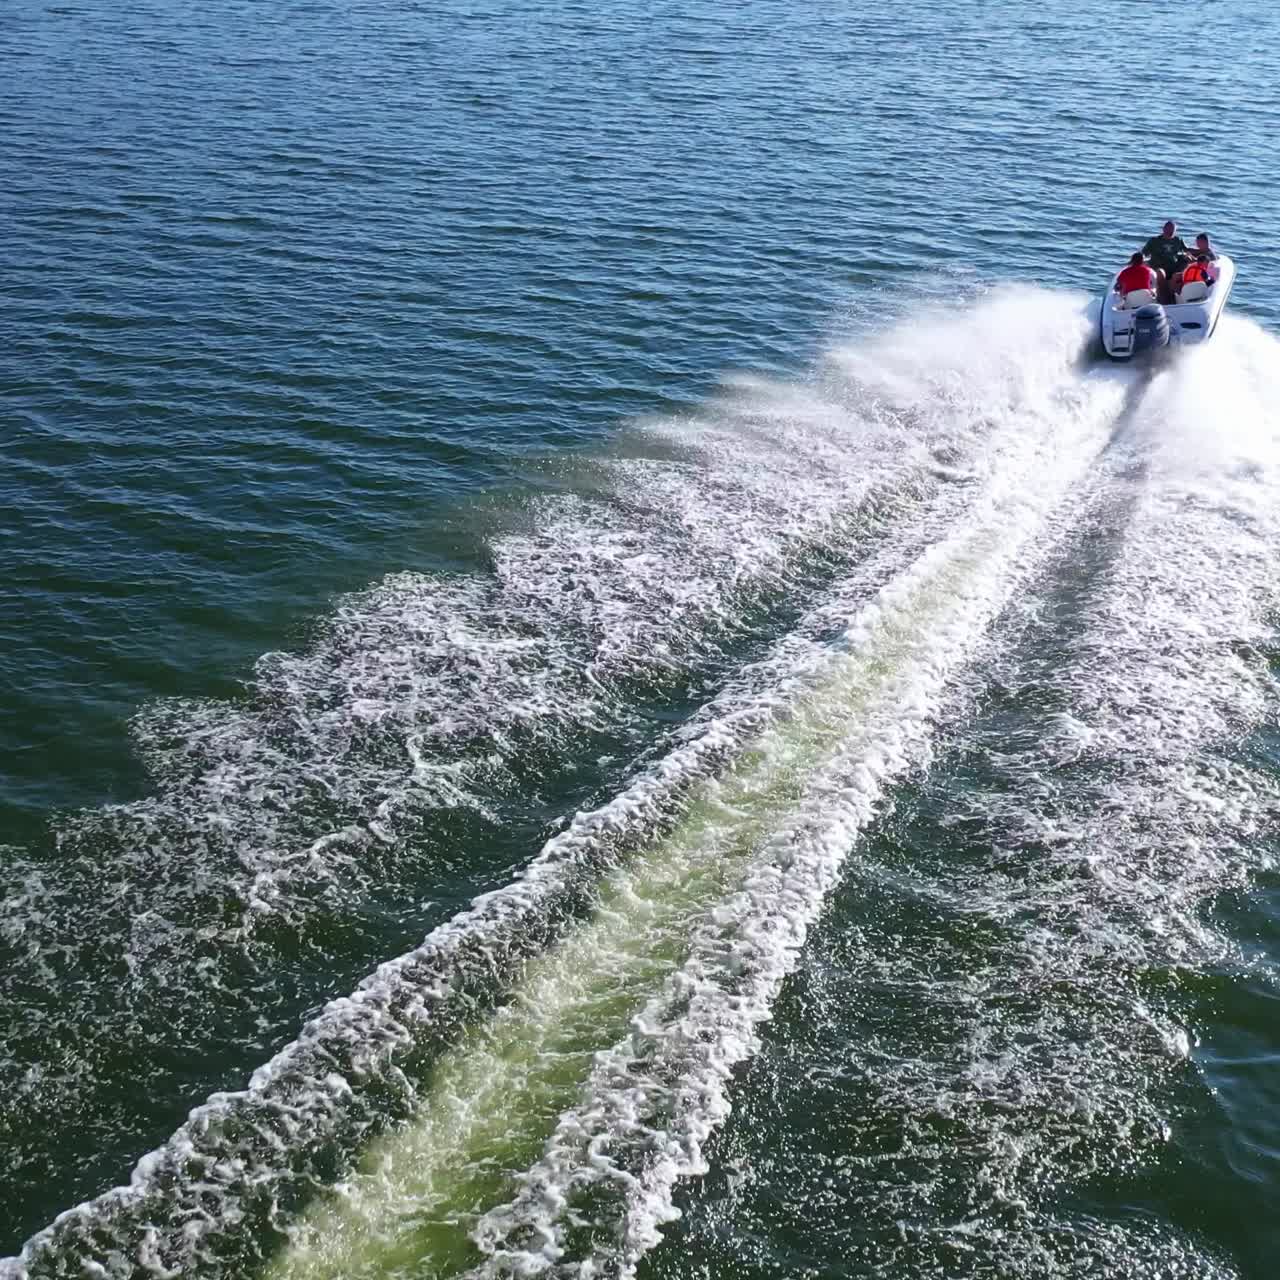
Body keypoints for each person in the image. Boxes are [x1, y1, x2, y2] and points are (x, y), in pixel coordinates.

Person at [1142, 220, 1190, 301]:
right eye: (1168, 229)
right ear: (1163, 229)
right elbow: (1144, 253)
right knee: (1160, 272)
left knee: (1186, 265)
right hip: (1158, 267)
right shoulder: (1154, 241)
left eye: (1172, 230)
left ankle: (1177, 295)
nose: (1170, 232)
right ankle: (1164, 297)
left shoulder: (1177, 240)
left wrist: (1203, 251)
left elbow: (1187, 250)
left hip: (1173, 267)